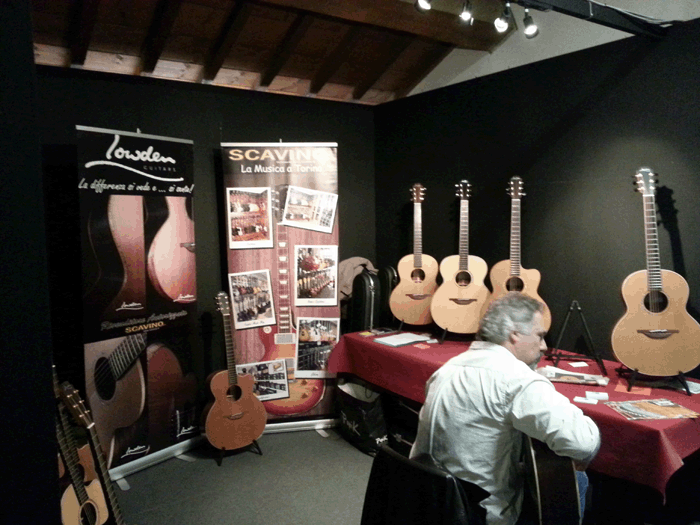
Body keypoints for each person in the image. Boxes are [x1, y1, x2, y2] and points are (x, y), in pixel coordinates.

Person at [409, 292, 600, 525]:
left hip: (427, 503)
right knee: (576, 478)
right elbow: (583, 442)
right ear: (514, 333)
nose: (544, 347)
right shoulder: (516, 378)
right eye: (540, 336)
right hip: (476, 514)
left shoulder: (447, 369)